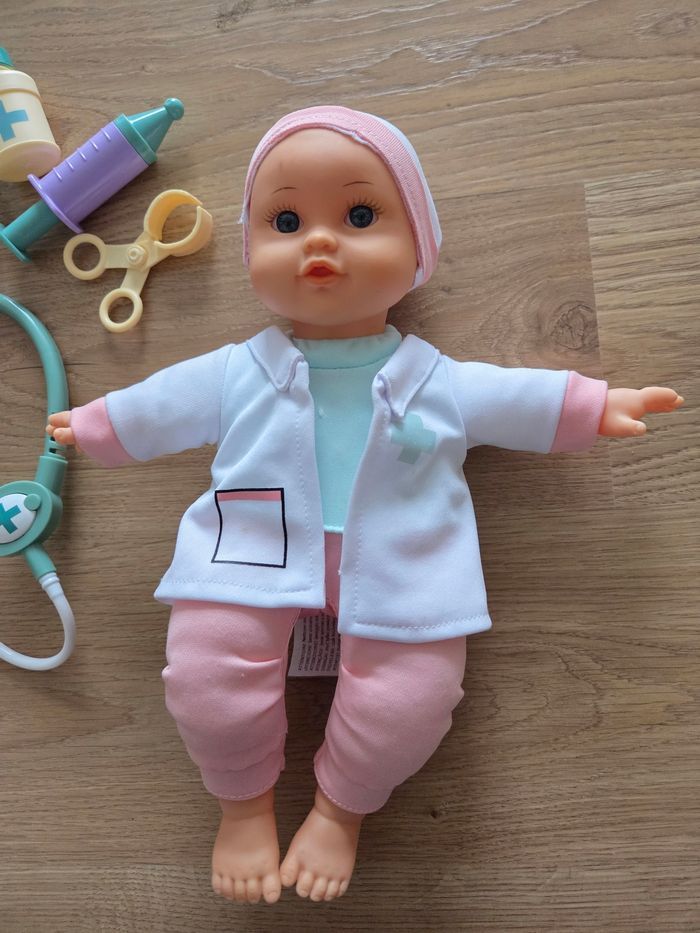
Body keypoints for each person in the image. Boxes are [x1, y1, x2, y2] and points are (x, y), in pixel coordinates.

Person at [47, 106, 683, 906]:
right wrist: (102, 424)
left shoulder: (440, 381)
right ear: (250, 252)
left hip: (405, 562)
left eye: (358, 216)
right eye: (285, 222)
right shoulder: (240, 369)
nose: (319, 241)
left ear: (420, 247)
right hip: (251, 547)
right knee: (203, 673)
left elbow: (518, 397)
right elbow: (164, 403)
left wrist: (593, 405)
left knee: (412, 697)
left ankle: (339, 812)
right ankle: (241, 808)